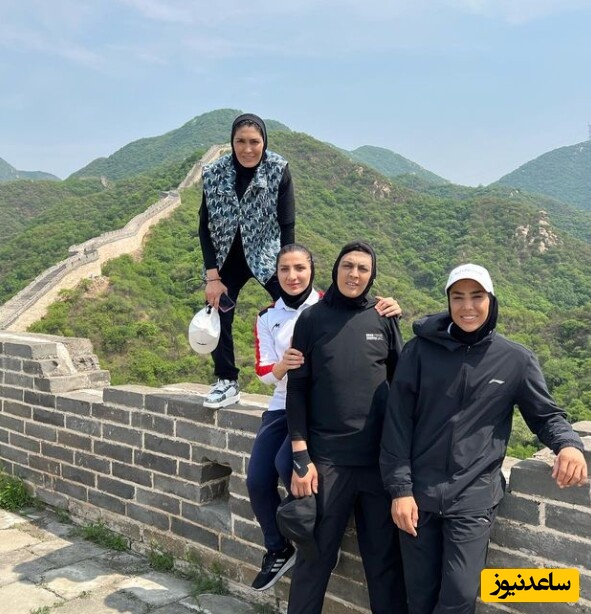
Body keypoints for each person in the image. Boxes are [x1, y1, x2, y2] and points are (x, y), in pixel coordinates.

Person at [380, 263, 588, 614]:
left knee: (460, 595)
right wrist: (400, 490)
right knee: (419, 596)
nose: (467, 307)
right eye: (458, 297)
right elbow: (397, 426)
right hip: (419, 497)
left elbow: (546, 415)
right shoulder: (418, 352)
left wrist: (569, 444)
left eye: (477, 297)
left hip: (473, 499)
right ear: (448, 301)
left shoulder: (515, 359)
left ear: (491, 300)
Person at [247, 243, 402, 592]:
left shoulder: (333, 305)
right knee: (258, 479)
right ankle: (279, 546)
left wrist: (393, 309)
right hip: (286, 406)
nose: (292, 276)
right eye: (284, 269)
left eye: (299, 268)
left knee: (288, 464)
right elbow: (264, 372)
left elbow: (396, 371)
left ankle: (314, 528)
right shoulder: (270, 316)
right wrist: (282, 366)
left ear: (313, 271)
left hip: (328, 420)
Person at [285, 241, 408, 614]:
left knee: (384, 565)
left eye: (363, 269)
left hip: (377, 465)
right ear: (336, 268)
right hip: (327, 464)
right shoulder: (312, 319)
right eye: (348, 266)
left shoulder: (383, 318)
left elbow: (403, 386)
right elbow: (297, 390)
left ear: (372, 276)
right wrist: (301, 457)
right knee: (314, 560)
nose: (354, 274)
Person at [198, 112, 295, 409]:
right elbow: (204, 226)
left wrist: (290, 269)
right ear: (232, 142)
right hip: (226, 258)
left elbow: (287, 224)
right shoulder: (214, 172)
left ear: (264, 142)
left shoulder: (278, 169)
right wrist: (212, 277)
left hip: (267, 254)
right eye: (240, 141)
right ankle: (226, 381)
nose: (248, 148)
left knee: (294, 309)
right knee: (218, 313)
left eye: (254, 141)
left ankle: (299, 378)